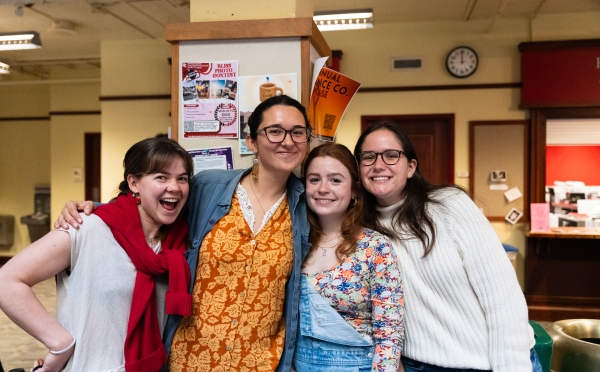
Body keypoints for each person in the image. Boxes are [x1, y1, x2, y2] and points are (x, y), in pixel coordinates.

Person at [54, 95, 312, 372]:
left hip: (259, 363)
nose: (288, 141)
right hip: (188, 359)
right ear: (251, 142)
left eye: (298, 132)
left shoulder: (307, 207)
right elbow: (154, 209)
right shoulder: (210, 187)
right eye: (275, 131)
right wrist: (95, 208)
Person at [354, 121, 543, 372]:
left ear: (410, 167)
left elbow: (503, 298)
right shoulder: (358, 227)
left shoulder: (448, 206)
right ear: (358, 168)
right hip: (416, 365)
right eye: (368, 157)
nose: (379, 165)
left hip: (492, 363)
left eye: (391, 155)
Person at [0, 137, 194, 372]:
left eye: (182, 178)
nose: (174, 187)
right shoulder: (88, 228)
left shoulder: (178, 249)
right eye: (161, 177)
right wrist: (60, 343)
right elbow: (6, 281)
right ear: (133, 183)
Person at [294, 143, 404, 372]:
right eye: (314, 180)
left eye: (335, 180)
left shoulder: (376, 248)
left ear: (354, 190)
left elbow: (389, 335)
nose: (323, 188)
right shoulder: (295, 243)